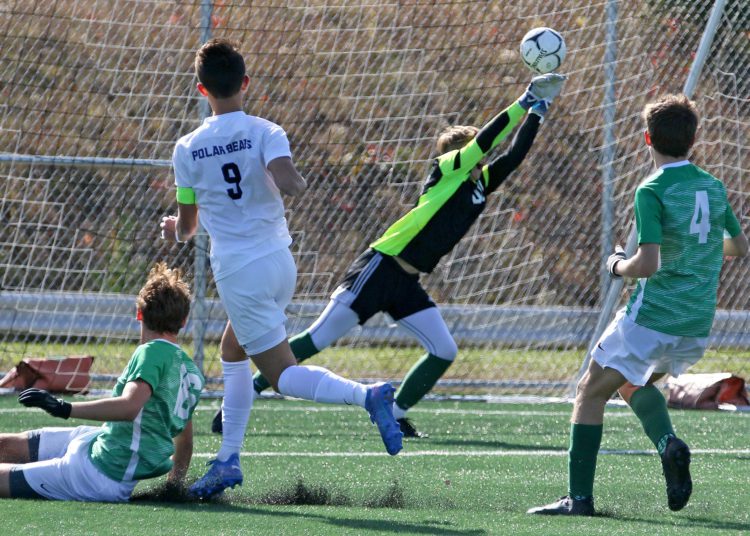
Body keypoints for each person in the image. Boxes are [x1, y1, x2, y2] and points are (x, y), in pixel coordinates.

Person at [213, 72, 568, 439]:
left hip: (406, 281)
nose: (480, 155)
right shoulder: (445, 169)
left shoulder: (478, 184)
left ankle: (395, 413)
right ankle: (248, 393)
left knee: (444, 350)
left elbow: (511, 158)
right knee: (317, 339)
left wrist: (539, 111)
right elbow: (487, 142)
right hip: (379, 267)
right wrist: (523, 102)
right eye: (473, 150)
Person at [160, 38, 403, 500]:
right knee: (232, 351)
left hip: (239, 270)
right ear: (245, 83)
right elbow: (287, 176)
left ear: (200, 89)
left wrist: (174, 227)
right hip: (278, 263)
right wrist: (293, 181)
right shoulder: (266, 130)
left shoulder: (188, 147)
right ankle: (227, 461)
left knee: (281, 376)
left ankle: (367, 395)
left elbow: (189, 228)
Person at [529, 94, 749, 516]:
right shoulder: (713, 186)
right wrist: (695, 249)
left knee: (588, 393)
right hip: (696, 323)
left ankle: (579, 500)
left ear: (647, 137)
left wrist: (615, 265)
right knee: (632, 383)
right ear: (694, 139)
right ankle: (669, 445)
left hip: (652, 317)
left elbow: (645, 264)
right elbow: (739, 247)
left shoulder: (651, 189)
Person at [0, 262, 204, 502]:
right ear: (184, 321)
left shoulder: (150, 352)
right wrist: (174, 486)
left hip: (97, 475)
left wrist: (64, 408)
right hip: (98, 442)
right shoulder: (191, 372)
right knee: (5, 444)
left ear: (139, 313)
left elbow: (129, 407)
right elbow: (185, 441)